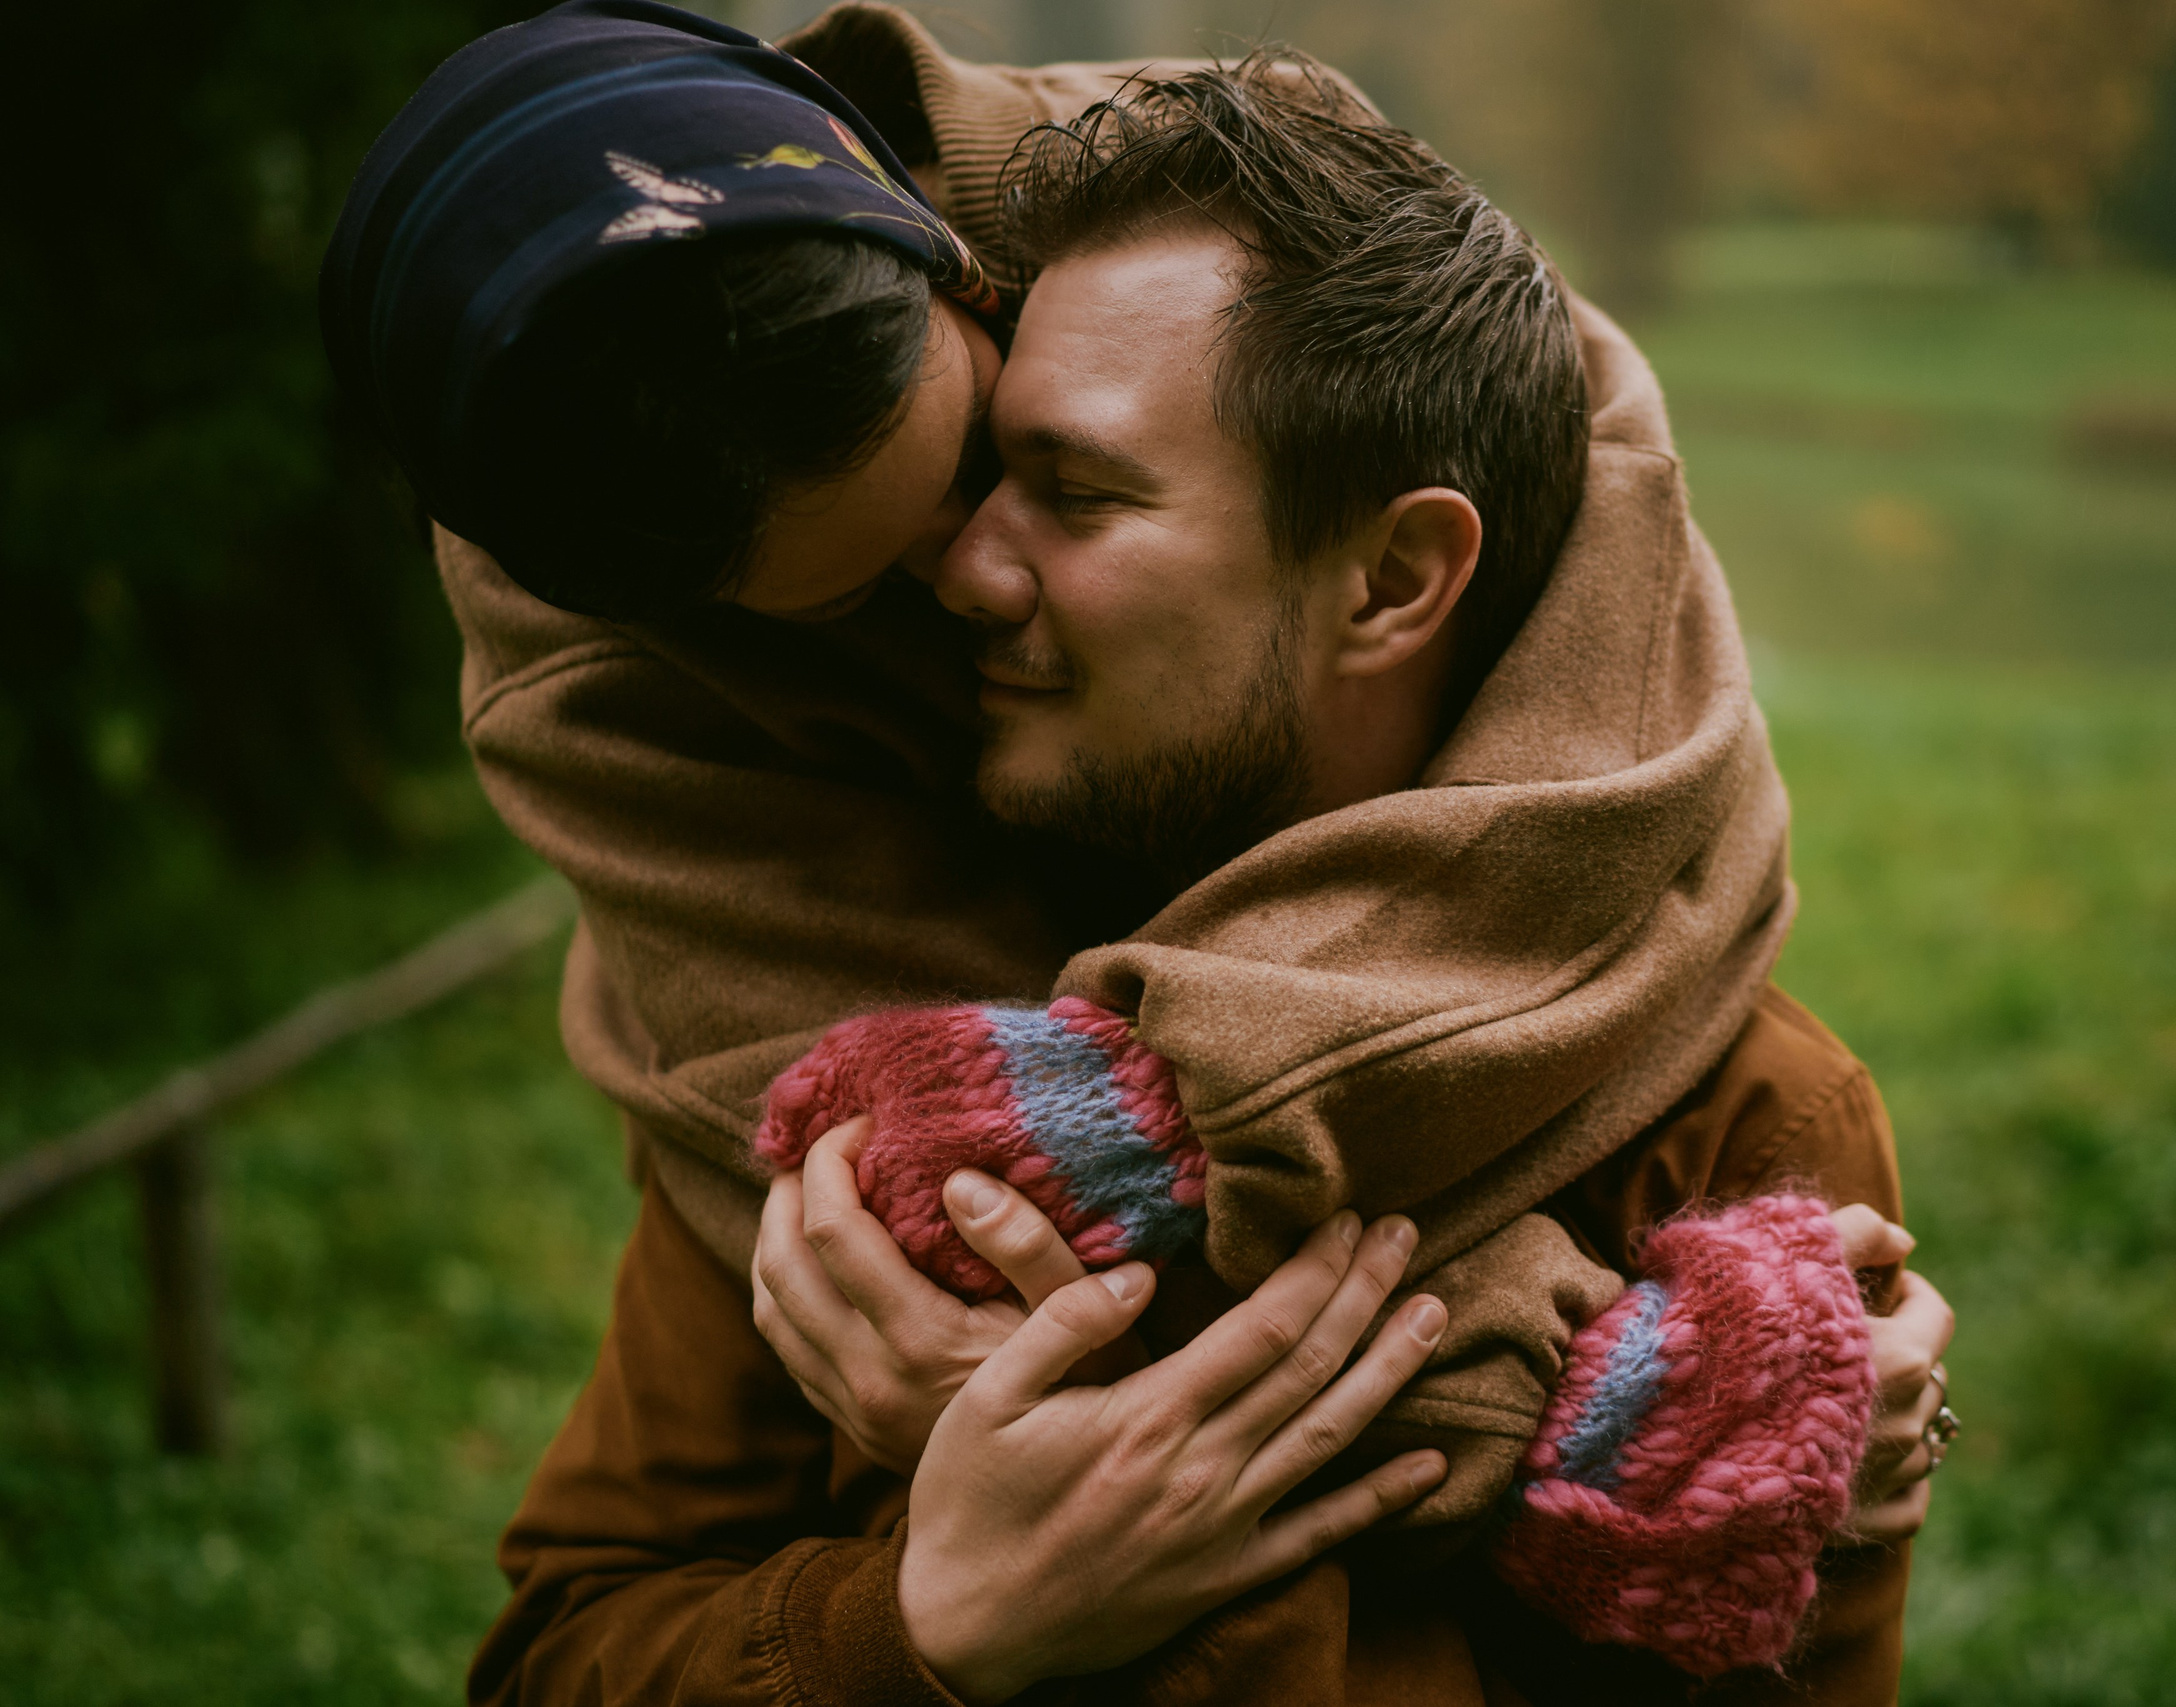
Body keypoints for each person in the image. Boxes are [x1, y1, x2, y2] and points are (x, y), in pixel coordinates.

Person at [317, 4, 1957, 1702]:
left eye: (1059, 483)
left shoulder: (1742, 1146)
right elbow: (562, 1652)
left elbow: (1585, 479)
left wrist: (1141, 1503)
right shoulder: (880, 1127)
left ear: (972, 281)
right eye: (857, 597)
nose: (966, 577)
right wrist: (922, 1627)